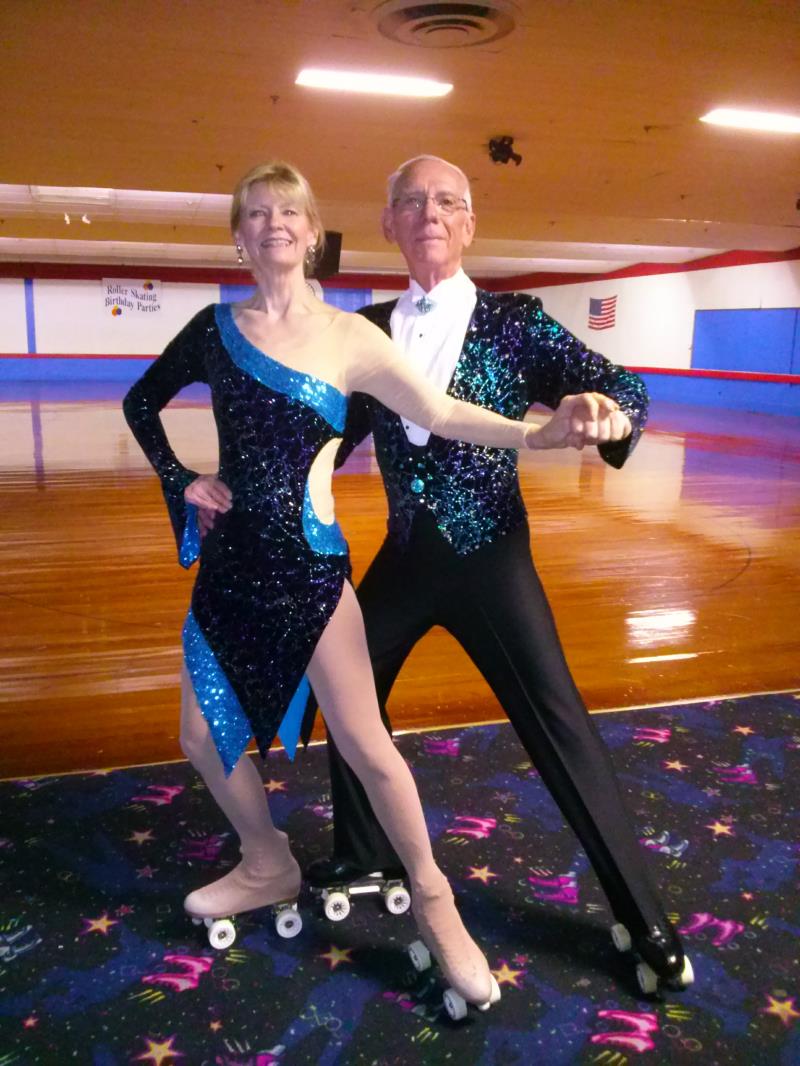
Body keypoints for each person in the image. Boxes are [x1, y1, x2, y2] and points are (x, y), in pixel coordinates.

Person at [122, 160, 612, 1016]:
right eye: (256, 212)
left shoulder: (353, 338)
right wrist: (181, 477)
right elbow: (141, 402)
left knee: (366, 743)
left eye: (290, 211)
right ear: (238, 237)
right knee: (200, 736)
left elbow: (443, 412)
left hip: (311, 570)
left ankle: (434, 895)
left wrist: (537, 435)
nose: (274, 222)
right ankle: (267, 860)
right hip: (231, 569)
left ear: (313, 235)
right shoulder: (212, 328)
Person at [294, 155, 693, 996]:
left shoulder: (517, 322)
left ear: (469, 223)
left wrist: (604, 412)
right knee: (345, 685)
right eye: (412, 201)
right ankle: (364, 852)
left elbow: (620, 386)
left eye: (447, 201)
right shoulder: (364, 332)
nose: (430, 213)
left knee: (559, 724)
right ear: (389, 224)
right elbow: (322, 430)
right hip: (405, 560)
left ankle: (643, 914)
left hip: (493, 562)